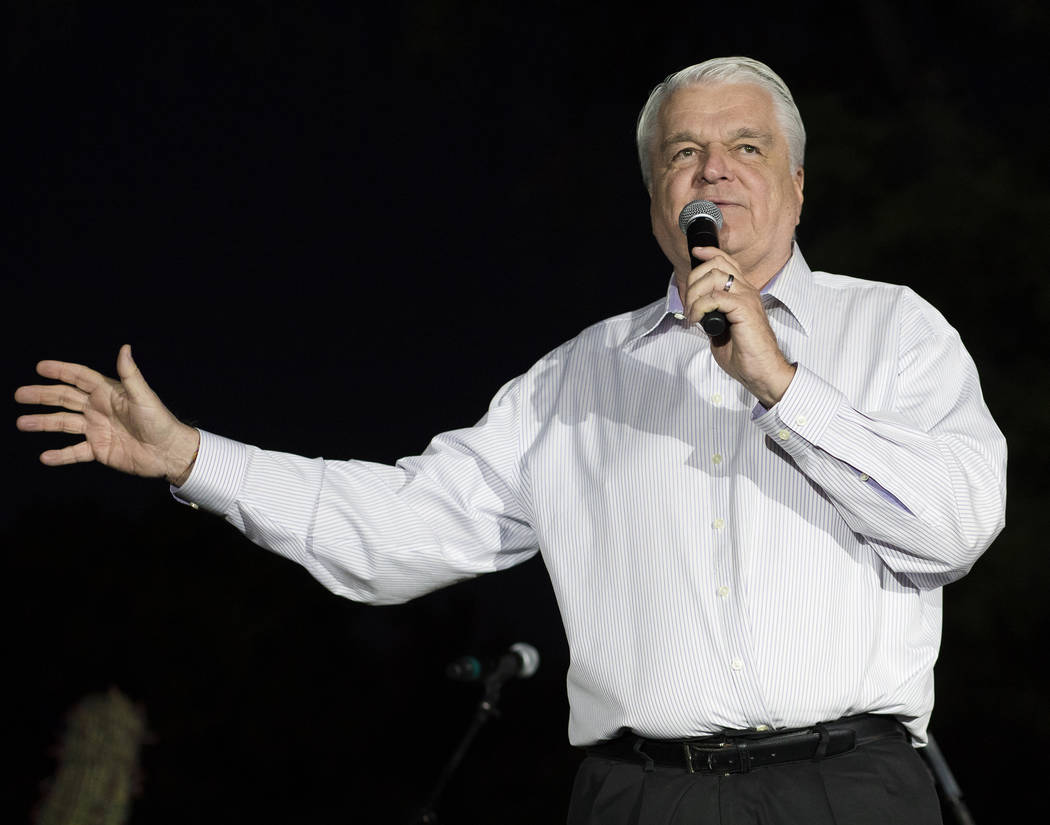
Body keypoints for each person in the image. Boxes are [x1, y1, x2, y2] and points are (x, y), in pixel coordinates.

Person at [15, 57, 1006, 824]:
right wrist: (193, 456)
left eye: (746, 148)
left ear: (794, 182)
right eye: (682, 152)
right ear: (658, 194)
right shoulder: (574, 382)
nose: (713, 170)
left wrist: (779, 387)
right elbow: (401, 530)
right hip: (643, 799)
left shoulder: (893, 331)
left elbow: (955, 527)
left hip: (850, 791)